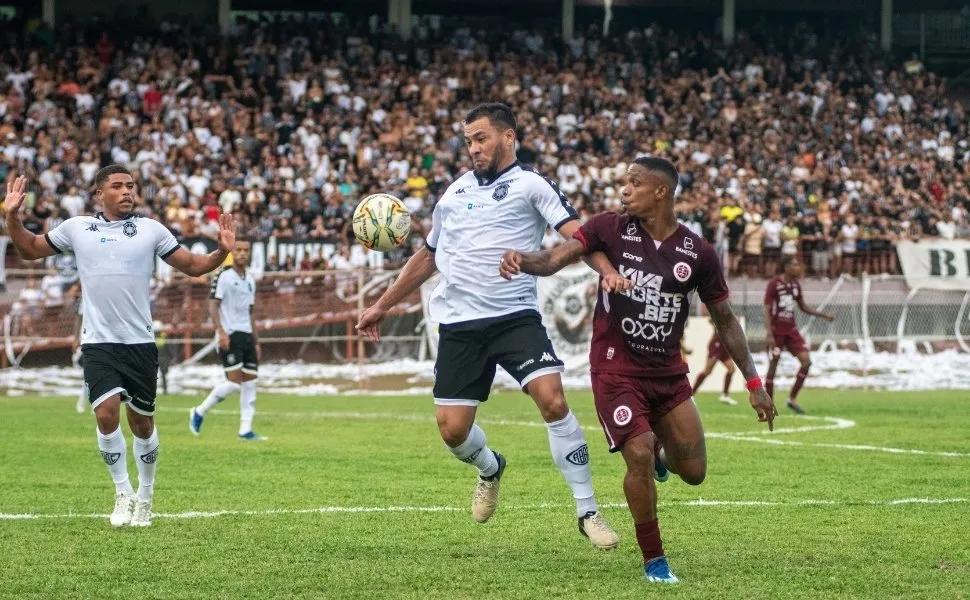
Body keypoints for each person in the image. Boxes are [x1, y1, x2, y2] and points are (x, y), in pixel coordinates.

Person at [497, 156, 776, 584]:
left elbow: (726, 320)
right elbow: (555, 259)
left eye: (634, 183)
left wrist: (754, 383)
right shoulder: (609, 227)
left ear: (661, 192)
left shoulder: (696, 252)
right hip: (615, 370)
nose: (624, 190)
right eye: (623, 183)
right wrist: (521, 259)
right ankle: (655, 560)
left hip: (668, 374)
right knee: (639, 454)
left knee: (695, 474)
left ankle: (666, 457)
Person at [356, 103, 620, 549]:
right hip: (459, 325)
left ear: (508, 137)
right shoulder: (452, 195)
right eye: (469, 141)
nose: (473, 148)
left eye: (481, 138)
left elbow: (580, 235)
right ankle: (490, 467)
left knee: (553, 401)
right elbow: (428, 256)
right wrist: (381, 305)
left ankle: (588, 510)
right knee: (452, 430)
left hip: (514, 318)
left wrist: (607, 271)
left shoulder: (532, 185)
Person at [3, 167, 235, 528]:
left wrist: (221, 251)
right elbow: (30, 249)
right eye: (118, 186)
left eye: (131, 186)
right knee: (106, 414)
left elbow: (193, 267)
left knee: (141, 423)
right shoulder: (77, 228)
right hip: (98, 341)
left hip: (140, 342)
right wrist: (12, 216)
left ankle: (145, 496)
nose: (127, 191)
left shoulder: (151, 229)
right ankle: (123, 493)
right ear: (100, 193)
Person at [190, 240, 264, 440]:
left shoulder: (250, 279)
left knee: (250, 383)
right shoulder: (223, 276)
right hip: (230, 334)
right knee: (233, 384)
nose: (242, 253)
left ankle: (245, 430)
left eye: (246, 250)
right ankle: (199, 411)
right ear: (233, 253)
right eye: (238, 250)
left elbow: (251, 312)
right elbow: (213, 305)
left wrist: (256, 342)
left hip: (247, 335)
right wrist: (221, 332)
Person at [764, 256, 835, 414]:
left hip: (791, 330)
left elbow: (803, 306)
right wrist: (769, 334)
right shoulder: (774, 284)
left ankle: (792, 399)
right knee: (772, 368)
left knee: (806, 362)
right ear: (786, 267)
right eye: (795, 265)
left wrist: (823, 315)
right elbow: (767, 308)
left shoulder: (795, 285)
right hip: (776, 332)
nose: (799, 268)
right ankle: (769, 405)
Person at [690, 327, 738, 406]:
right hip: (717, 344)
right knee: (707, 371)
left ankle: (725, 396)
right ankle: (691, 395)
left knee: (731, 369)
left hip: (724, 345)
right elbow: (711, 317)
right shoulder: (721, 315)